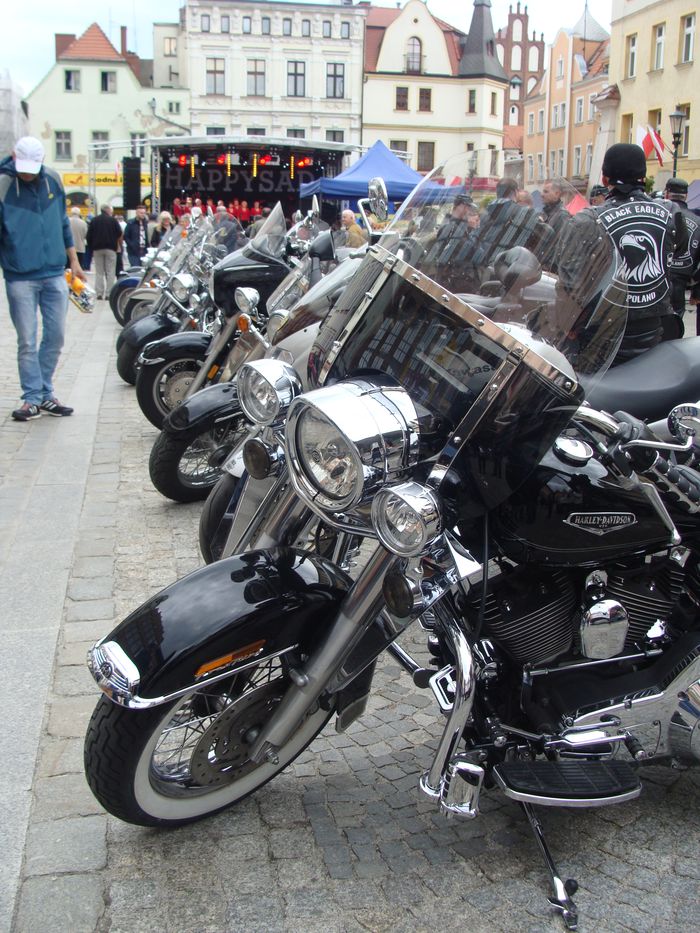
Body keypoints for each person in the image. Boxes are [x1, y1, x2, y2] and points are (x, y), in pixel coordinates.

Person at [556, 143, 677, 364]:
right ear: (643, 177)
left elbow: (569, 283)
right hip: (652, 332)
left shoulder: (588, 220)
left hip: (603, 340)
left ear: (604, 179)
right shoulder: (669, 214)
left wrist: (567, 323)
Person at [0, 136, 86, 421]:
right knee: (27, 339)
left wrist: (74, 261)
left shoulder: (52, 180)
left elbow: (62, 223)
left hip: (54, 272)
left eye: (32, 168)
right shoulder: (3, 185)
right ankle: (32, 397)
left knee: (56, 336)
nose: (28, 174)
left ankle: (45, 392)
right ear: (14, 158)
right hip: (19, 276)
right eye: (23, 168)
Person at [663, 177, 700, 335]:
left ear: (667, 194)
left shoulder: (658, 217)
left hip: (656, 284)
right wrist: (696, 290)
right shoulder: (697, 221)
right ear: (686, 196)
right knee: (674, 332)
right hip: (680, 284)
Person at [86, 203, 123, 299]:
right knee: (110, 271)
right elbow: (119, 233)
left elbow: (88, 236)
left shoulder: (94, 220)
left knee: (99, 272)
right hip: (111, 248)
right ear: (108, 210)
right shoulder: (113, 220)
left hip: (97, 249)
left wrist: (91, 247)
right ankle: (108, 294)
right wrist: (119, 246)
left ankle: (99, 293)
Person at [540, 179, 571, 271]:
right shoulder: (547, 212)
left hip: (549, 269)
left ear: (557, 194)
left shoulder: (562, 215)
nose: (542, 194)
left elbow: (561, 245)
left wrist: (548, 267)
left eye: (546, 192)